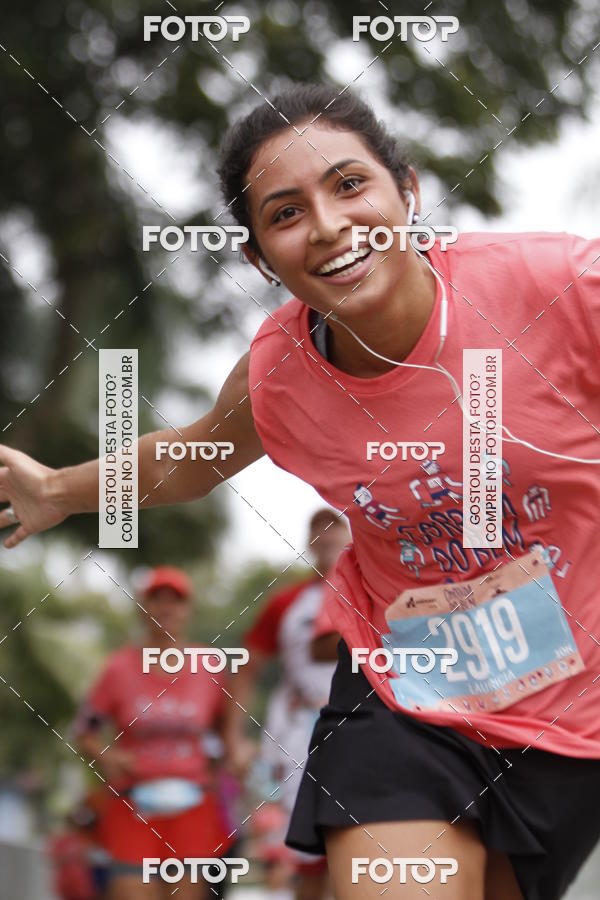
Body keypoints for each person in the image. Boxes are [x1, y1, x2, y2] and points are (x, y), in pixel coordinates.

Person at [1, 82, 599, 899]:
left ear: (408, 192)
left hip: (577, 714)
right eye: (284, 214)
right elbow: (193, 457)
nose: (327, 226)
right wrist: (59, 492)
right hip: (407, 703)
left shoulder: (559, 289)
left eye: (350, 185)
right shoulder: (282, 373)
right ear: (258, 257)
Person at [73, 566, 234, 899]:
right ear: (142, 609)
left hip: (193, 805)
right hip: (133, 805)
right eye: (156, 600)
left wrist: (230, 762)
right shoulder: (118, 667)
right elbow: (85, 730)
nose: (166, 609)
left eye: (175, 601)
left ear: (187, 609)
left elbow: (227, 733)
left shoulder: (209, 665)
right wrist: (107, 755)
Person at [224, 507, 350, 900]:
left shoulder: (373, 591)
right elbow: (246, 666)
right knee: (303, 846)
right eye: (319, 531)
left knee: (354, 839)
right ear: (309, 542)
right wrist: (234, 739)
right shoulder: (287, 602)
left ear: (351, 537)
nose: (327, 538)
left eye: (335, 529)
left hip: (362, 730)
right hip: (298, 736)